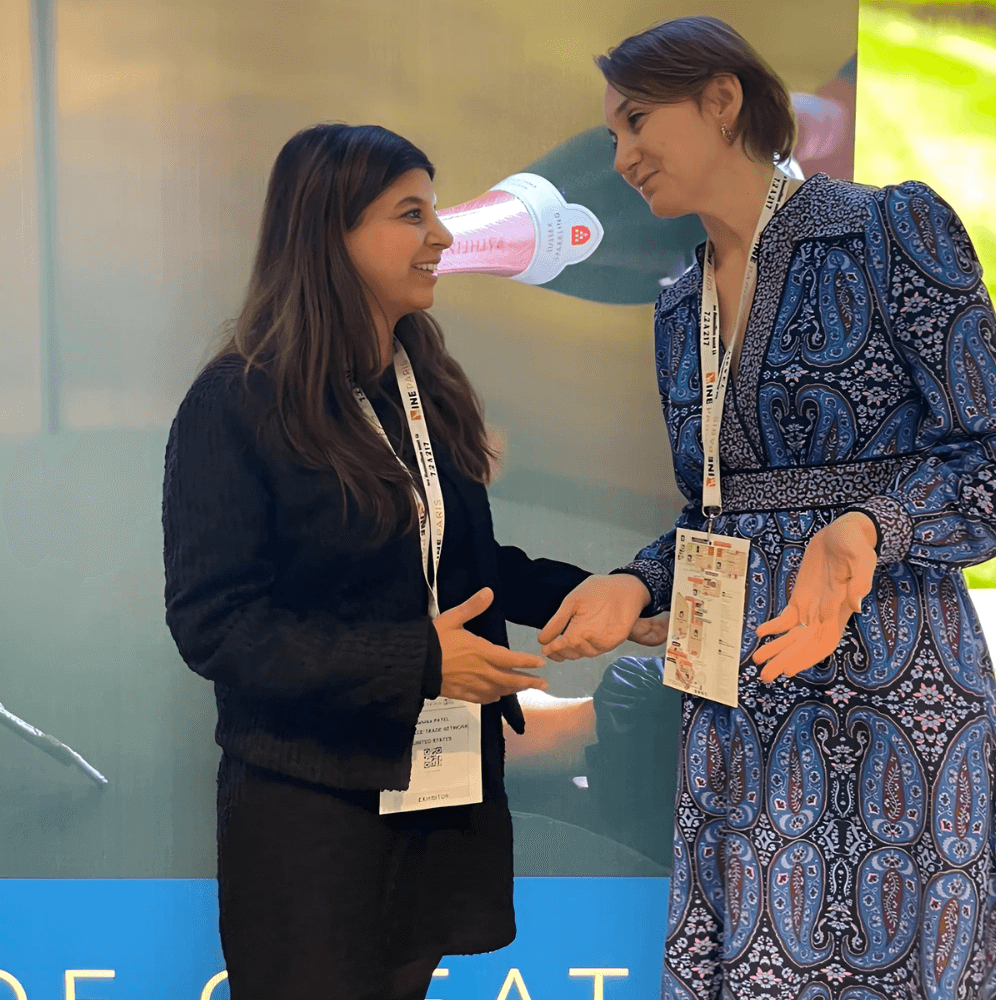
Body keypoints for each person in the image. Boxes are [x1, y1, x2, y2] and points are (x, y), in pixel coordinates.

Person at [537, 16, 996, 1000]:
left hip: (898, 712)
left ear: (722, 100)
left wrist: (865, 530)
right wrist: (632, 583)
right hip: (734, 727)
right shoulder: (679, 304)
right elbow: (721, 515)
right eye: (611, 137)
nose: (622, 155)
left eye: (637, 120)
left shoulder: (890, 228)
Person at [161, 123, 644, 1000]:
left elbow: (465, 561)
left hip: (440, 794)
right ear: (328, 235)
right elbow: (218, 626)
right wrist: (422, 661)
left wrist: (603, 597)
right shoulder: (236, 402)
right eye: (410, 213)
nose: (444, 237)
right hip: (310, 811)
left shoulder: (422, 376)